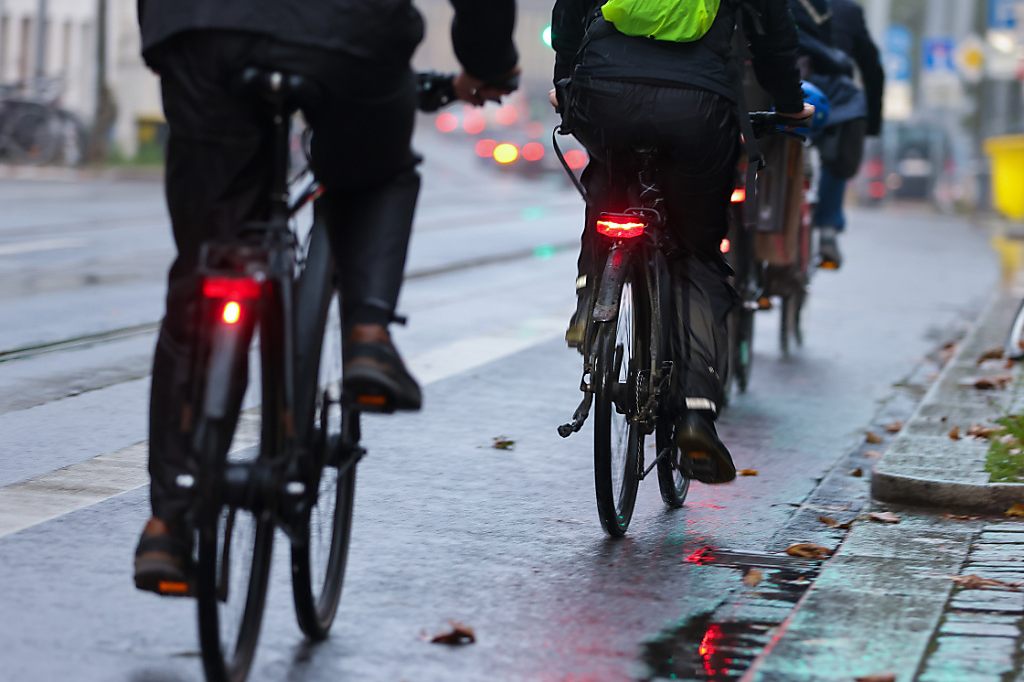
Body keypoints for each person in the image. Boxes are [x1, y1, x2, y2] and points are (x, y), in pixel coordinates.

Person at [133, 0, 518, 593]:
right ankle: (367, 338)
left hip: (199, 31)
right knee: (374, 174)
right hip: (346, 31)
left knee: (208, 259)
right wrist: (488, 62)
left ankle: (170, 520)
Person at [551, 0, 812, 484]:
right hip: (698, 106)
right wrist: (790, 102)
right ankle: (695, 412)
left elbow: (569, 12)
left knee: (608, 188)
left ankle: (591, 300)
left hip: (603, 94)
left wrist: (567, 79)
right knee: (695, 254)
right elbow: (773, 33)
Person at [788, 0, 883, 268]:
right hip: (833, 102)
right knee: (839, 151)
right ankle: (828, 227)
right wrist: (871, 125)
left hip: (781, 92)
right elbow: (872, 68)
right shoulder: (848, 11)